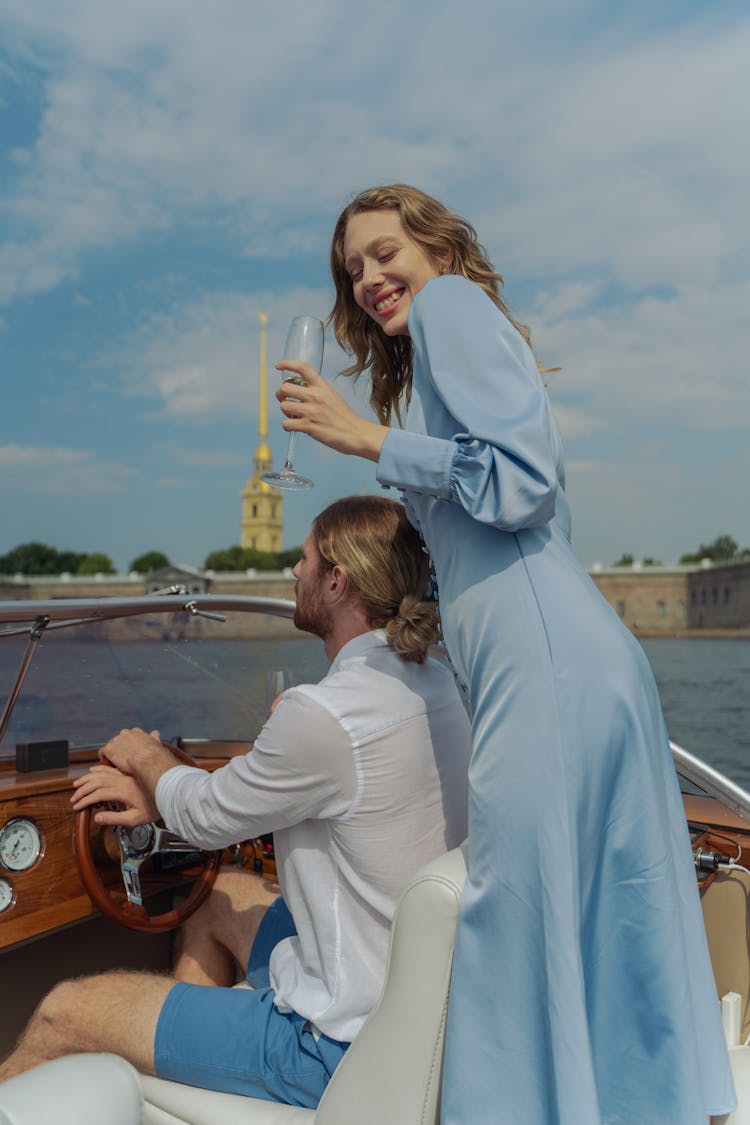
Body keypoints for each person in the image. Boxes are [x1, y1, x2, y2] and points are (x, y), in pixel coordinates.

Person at [268, 185, 736, 1123]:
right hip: (565, 658)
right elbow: (498, 518)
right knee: (589, 910)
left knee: (515, 912)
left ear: (435, 246)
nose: (368, 278)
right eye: (351, 268)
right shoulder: (453, 342)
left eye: (383, 251)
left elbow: (518, 483)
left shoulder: (450, 306)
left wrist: (366, 438)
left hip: (546, 667)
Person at [0, 494, 470, 1108]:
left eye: (304, 561)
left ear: (336, 580)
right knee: (218, 898)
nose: (293, 573)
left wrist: (145, 756)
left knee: (64, 1013)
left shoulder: (325, 714)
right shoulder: (440, 683)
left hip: (330, 1044)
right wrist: (173, 794)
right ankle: (189, 1064)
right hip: (412, 1003)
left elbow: (206, 816)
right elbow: (272, 790)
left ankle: (209, 1058)